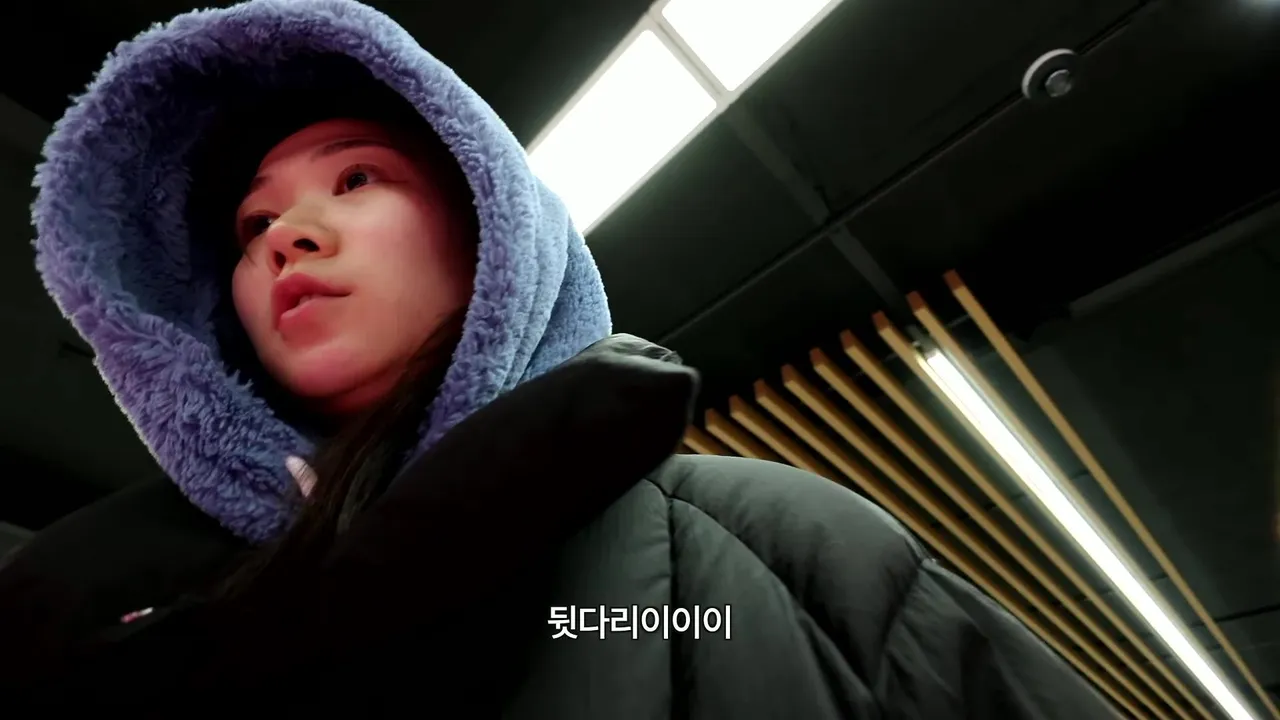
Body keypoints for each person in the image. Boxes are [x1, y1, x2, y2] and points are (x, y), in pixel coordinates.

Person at [0, 0, 1119, 716]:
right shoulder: (81, 603)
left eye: (356, 178)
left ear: (491, 230)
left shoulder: (767, 549)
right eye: (253, 226)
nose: (287, 233)